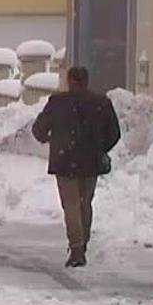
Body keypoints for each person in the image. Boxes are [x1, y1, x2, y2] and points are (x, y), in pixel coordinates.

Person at [32, 66, 121, 268]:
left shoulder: (57, 103)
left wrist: (48, 138)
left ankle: (77, 248)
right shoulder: (101, 103)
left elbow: (38, 129)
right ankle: (83, 244)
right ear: (86, 81)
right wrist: (100, 148)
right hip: (90, 161)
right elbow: (114, 133)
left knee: (71, 205)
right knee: (85, 203)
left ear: (70, 80)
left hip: (64, 162)